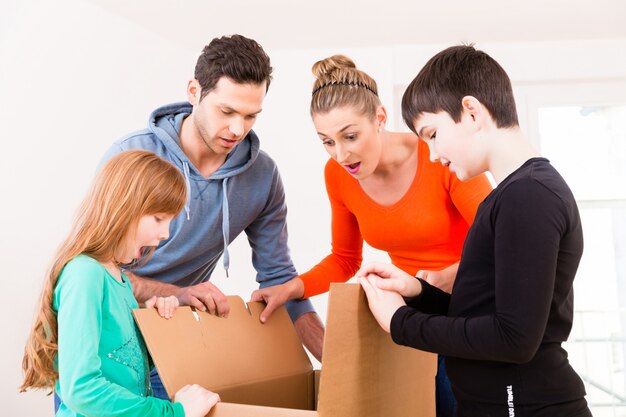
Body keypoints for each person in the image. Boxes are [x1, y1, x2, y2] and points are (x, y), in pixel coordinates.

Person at [251, 54, 492, 417]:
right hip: (414, 317)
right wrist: (291, 288)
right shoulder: (338, 175)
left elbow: (500, 241)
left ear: (379, 117)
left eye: (350, 136)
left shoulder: (439, 156)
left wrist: (445, 277)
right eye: (327, 142)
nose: (341, 154)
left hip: (473, 312)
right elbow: (345, 259)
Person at [357, 45, 592, 417]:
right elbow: (488, 313)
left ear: (471, 112)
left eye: (432, 134)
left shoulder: (528, 196)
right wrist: (417, 291)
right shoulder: (514, 196)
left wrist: (400, 323)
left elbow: (513, 339)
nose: (433, 156)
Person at [98, 34, 324, 398]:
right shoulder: (133, 156)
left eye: (251, 115)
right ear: (194, 91)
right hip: (105, 342)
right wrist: (180, 292)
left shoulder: (261, 176)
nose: (238, 129)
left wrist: (337, 363)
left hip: (173, 344)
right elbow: (96, 270)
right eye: (226, 111)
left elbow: (280, 281)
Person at [20, 150, 220, 417]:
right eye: (159, 219)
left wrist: (153, 325)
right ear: (124, 208)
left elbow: (124, 367)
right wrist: (175, 413)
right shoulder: (84, 275)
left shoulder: (119, 279)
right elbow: (81, 389)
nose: (165, 234)